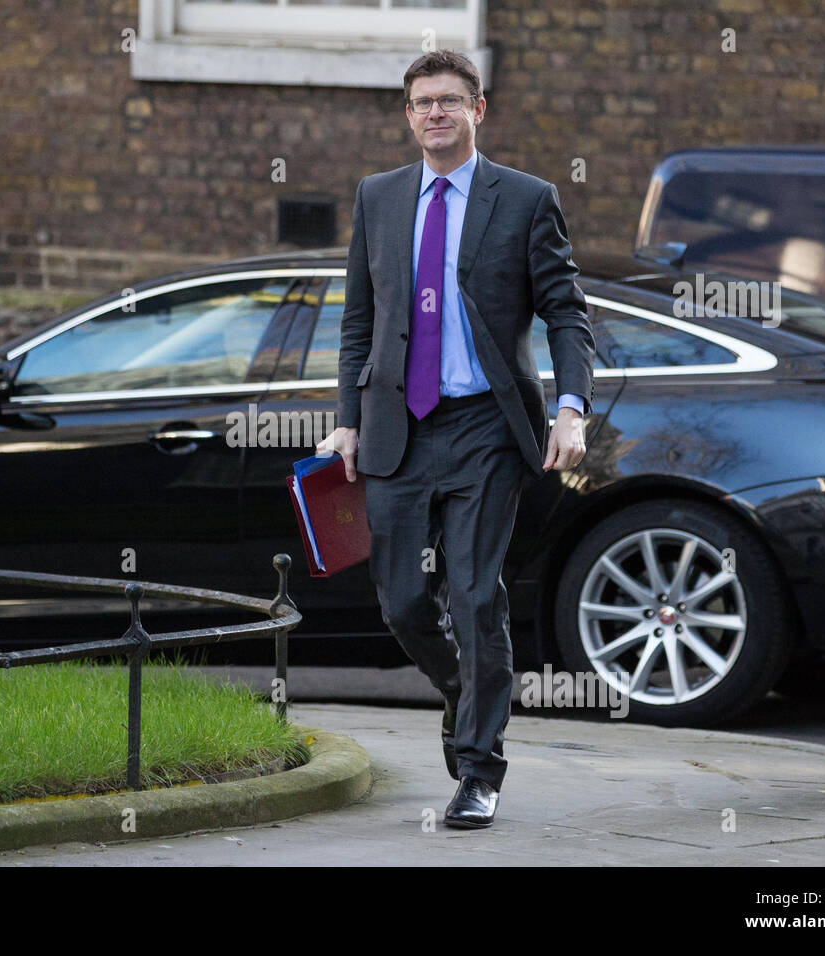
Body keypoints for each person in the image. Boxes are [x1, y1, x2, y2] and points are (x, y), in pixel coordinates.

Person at [316, 49, 595, 829]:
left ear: (480, 109)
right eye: (421, 103)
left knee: (475, 595)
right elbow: (358, 322)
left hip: (484, 428)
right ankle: (461, 689)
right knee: (405, 604)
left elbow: (567, 313)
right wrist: (346, 418)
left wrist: (570, 407)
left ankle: (479, 767)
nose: (434, 113)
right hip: (395, 426)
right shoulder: (378, 197)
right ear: (408, 116)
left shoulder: (526, 199)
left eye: (449, 100)